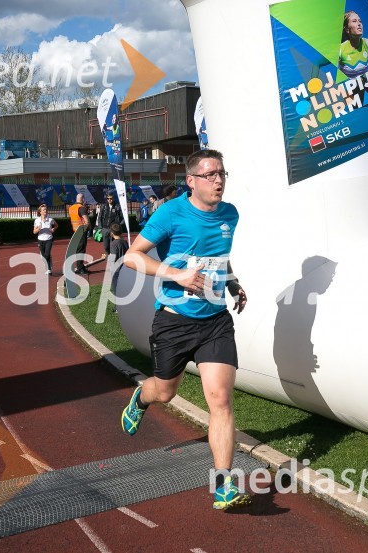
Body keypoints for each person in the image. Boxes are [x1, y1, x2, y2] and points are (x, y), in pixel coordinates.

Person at [120, 149, 250, 511]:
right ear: (191, 180)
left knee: (221, 400)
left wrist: (233, 282)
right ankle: (141, 397)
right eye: (210, 175)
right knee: (165, 393)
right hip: (174, 321)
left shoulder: (230, 214)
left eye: (222, 173)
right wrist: (177, 275)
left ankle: (222, 484)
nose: (219, 180)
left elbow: (218, 258)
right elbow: (132, 255)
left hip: (215, 322)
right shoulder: (171, 213)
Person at [339, 11, 368, 79]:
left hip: (365, 87)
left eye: (360, 21)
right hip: (346, 89)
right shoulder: (340, 49)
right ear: (347, 30)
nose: (359, 24)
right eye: (354, 21)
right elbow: (319, 60)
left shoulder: (367, 43)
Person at [68, 193, 90, 274]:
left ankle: (80, 266)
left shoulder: (71, 208)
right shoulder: (81, 208)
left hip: (75, 231)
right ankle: (80, 268)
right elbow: (86, 220)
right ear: (83, 199)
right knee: (81, 250)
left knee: (78, 250)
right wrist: (89, 227)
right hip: (82, 231)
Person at [33, 204, 58, 275]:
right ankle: (48, 264)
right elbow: (34, 232)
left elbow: (56, 225)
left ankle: (49, 269)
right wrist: (39, 228)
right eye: (44, 210)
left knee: (47, 254)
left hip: (49, 238)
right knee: (44, 256)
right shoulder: (37, 220)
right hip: (40, 239)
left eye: (46, 209)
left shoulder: (50, 219)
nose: (45, 211)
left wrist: (53, 229)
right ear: (40, 212)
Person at [107, 222, 128, 296]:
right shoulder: (125, 242)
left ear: (111, 233)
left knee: (116, 288)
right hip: (124, 268)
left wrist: (106, 257)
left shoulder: (113, 244)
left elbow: (113, 258)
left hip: (116, 269)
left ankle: (117, 306)